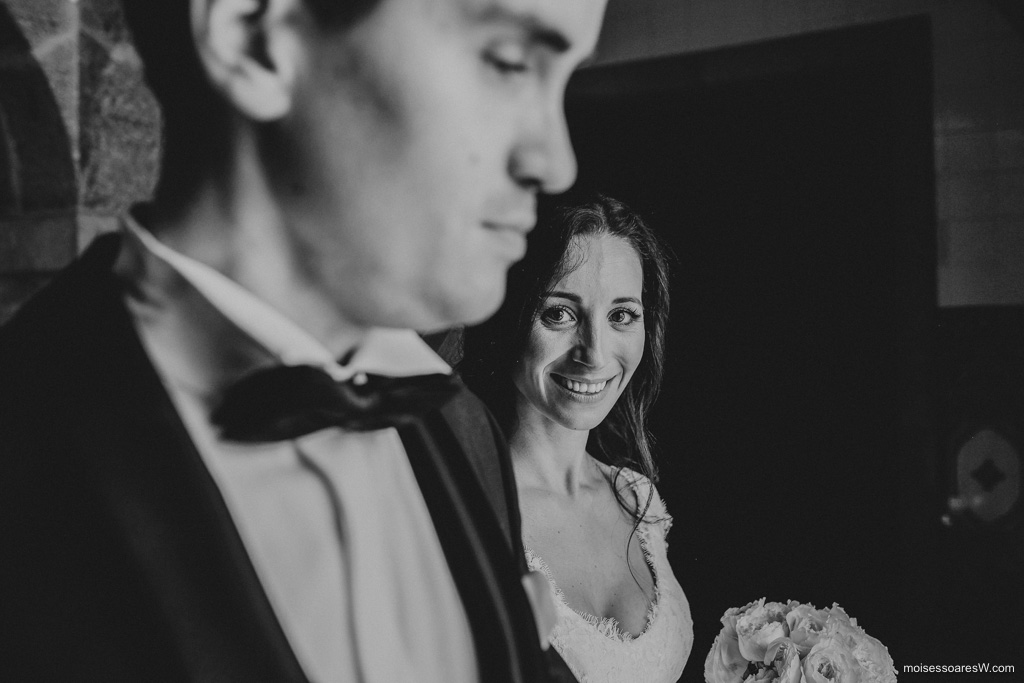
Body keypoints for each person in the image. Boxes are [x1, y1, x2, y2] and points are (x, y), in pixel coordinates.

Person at [0, 0, 607, 681]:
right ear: (254, 37)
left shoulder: (462, 426)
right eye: (508, 63)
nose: (556, 162)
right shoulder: (24, 458)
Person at [460, 194, 693, 682]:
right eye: (559, 314)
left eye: (621, 315)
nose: (595, 355)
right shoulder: (469, 507)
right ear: (509, 316)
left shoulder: (638, 498)